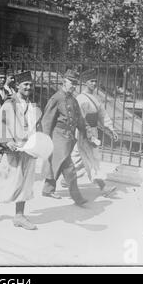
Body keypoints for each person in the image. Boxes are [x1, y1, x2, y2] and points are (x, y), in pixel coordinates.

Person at [0, 71, 39, 230]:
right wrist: (8, 141)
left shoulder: (32, 104)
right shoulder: (10, 103)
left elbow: (35, 125)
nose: (28, 87)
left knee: (26, 183)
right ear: (18, 86)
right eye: (25, 84)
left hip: (28, 149)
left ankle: (19, 216)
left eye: (30, 84)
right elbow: (0, 124)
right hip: (13, 149)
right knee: (9, 181)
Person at [61, 69, 119, 196]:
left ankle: (65, 178)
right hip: (84, 132)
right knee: (92, 159)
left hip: (93, 131)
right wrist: (85, 133)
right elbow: (78, 117)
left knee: (79, 158)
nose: (94, 83)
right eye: (91, 81)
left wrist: (111, 128)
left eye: (95, 81)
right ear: (85, 83)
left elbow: (103, 115)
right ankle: (103, 187)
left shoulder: (96, 98)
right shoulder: (81, 98)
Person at [41, 70, 90, 206]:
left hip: (68, 137)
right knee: (68, 167)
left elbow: (79, 119)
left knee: (57, 163)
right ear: (64, 82)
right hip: (57, 136)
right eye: (71, 82)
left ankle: (48, 189)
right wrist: (46, 139)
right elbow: (46, 120)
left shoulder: (73, 100)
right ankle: (77, 197)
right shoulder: (56, 98)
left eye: (75, 83)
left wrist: (86, 132)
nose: (74, 85)